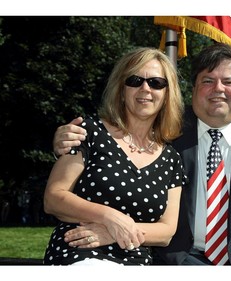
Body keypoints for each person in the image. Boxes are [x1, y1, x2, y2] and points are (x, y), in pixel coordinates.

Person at [52, 43, 231, 265]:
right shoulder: (164, 131)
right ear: (193, 88)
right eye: (207, 81)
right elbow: (115, 139)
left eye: (229, 81)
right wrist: (65, 141)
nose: (218, 89)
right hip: (176, 263)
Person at [43, 47, 186, 266]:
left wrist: (116, 232)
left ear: (168, 93)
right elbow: (53, 198)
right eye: (135, 80)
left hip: (135, 261)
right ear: (121, 89)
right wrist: (109, 217)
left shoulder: (171, 159)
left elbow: (166, 232)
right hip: (80, 254)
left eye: (156, 82)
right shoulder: (88, 131)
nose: (145, 88)